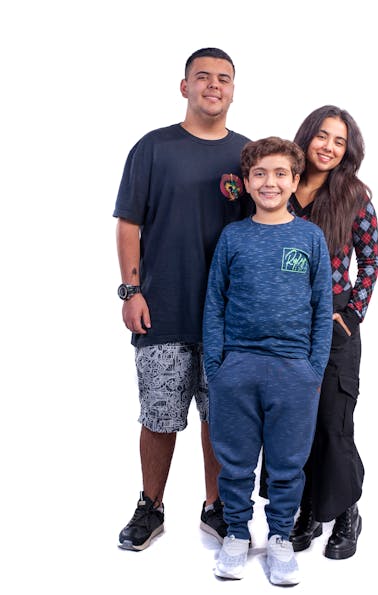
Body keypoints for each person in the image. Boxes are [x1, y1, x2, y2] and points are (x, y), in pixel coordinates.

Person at [113, 47, 251, 551]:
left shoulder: (249, 156)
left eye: (224, 78)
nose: (214, 85)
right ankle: (151, 505)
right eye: (203, 77)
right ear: (184, 86)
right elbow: (129, 223)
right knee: (159, 415)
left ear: (233, 90)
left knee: (222, 417)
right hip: (163, 308)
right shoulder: (153, 148)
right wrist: (132, 290)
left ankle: (216, 506)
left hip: (230, 317)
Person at [203, 137, 333, 585]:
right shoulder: (233, 236)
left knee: (287, 463)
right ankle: (236, 534)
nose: (270, 182)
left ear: (295, 181)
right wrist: (217, 369)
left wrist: (313, 367)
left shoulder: (309, 238)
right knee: (235, 461)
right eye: (260, 173)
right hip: (237, 366)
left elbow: (321, 307)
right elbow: (214, 304)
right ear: (246, 182)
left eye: (280, 174)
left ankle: (279, 538)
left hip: (294, 369)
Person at [263, 105, 378, 560]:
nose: (329, 147)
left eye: (340, 141)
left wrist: (351, 314)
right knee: (294, 425)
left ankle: (346, 511)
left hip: (334, 322)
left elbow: (369, 262)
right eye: (323, 136)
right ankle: (307, 510)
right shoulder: (281, 188)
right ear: (307, 136)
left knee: (333, 423)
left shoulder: (354, 196)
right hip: (282, 323)